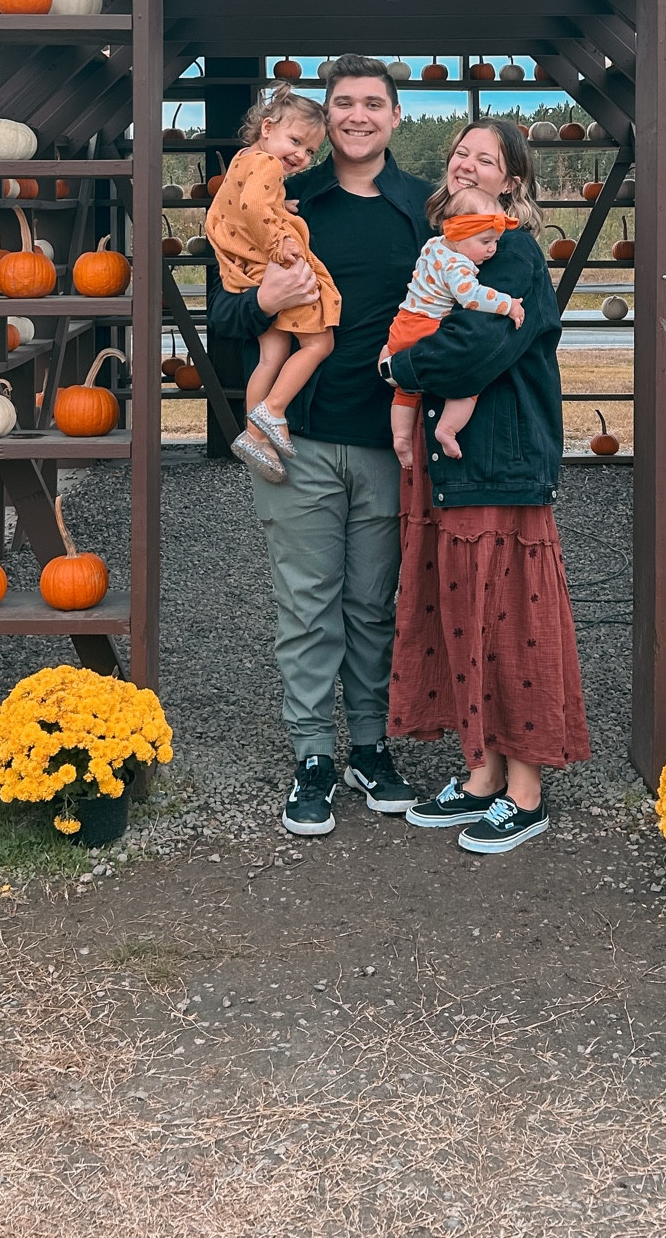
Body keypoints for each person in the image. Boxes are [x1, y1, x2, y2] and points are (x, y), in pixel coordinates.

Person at [207, 55, 432, 838]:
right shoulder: (284, 198)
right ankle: (312, 756)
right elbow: (222, 316)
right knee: (307, 607)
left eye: (373, 102)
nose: (358, 115)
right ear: (323, 118)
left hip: (387, 441)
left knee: (372, 604)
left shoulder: (420, 207)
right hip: (297, 438)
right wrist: (262, 300)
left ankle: (370, 746)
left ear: (395, 116)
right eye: (344, 104)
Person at [382, 120, 590, 855]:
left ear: (513, 181)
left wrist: (399, 368)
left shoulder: (515, 250)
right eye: (461, 153)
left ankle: (525, 794)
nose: (468, 163)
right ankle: (482, 775)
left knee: (511, 621)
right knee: (466, 616)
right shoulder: (450, 244)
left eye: (487, 158)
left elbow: (475, 349)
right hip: (456, 464)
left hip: (500, 459)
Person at [204, 87, 339, 483]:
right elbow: (254, 208)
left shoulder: (245, 160)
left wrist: (281, 207)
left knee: (271, 356)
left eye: (311, 151)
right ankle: (273, 411)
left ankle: (254, 435)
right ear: (267, 128)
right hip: (271, 269)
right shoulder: (267, 164)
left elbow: (246, 202)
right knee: (319, 344)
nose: (301, 155)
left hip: (248, 274)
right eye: (295, 141)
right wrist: (280, 242)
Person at [380, 186, 525, 467]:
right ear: (458, 235)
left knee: (405, 390)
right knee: (469, 383)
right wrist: (508, 305)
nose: (492, 249)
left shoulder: (433, 246)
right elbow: (471, 297)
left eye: (496, 241)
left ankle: (401, 438)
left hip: (402, 325)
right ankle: (447, 429)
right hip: (427, 327)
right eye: (485, 241)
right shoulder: (457, 265)